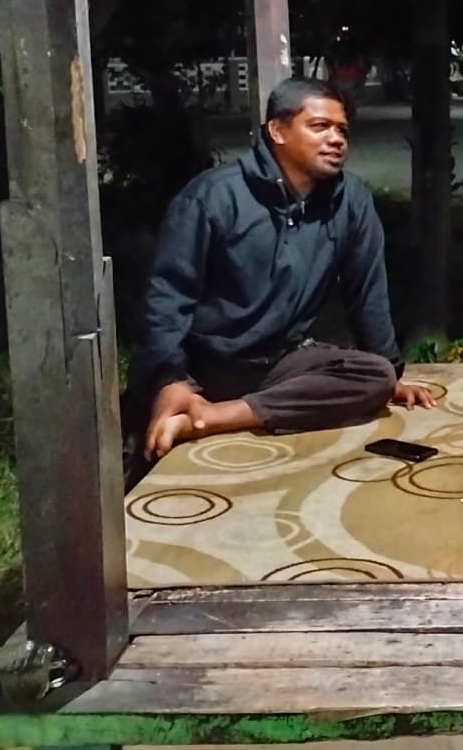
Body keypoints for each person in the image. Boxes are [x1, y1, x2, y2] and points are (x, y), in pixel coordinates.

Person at [127, 79, 433, 466]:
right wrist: (168, 380)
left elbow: (367, 292)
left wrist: (390, 376)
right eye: (320, 126)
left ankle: (213, 418)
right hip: (205, 366)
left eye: (342, 130)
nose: (336, 139)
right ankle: (197, 407)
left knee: (376, 375)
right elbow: (167, 299)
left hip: (279, 364)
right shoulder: (213, 196)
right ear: (278, 131)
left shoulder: (351, 201)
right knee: (149, 438)